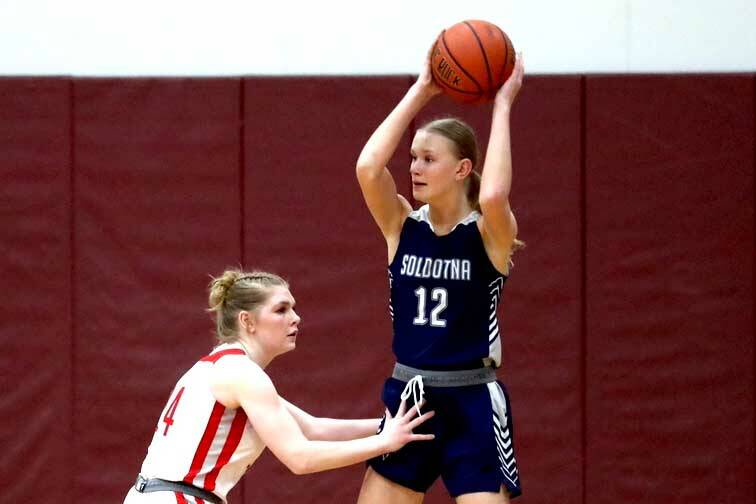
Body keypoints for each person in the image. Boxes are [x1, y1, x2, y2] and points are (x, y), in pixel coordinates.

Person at [353, 44, 525, 503]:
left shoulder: (489, 233)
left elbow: (492, 195)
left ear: (463, 168)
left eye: (429, 159)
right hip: (410, 397)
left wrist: (503, 104)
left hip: (472, 401)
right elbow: (369, 168)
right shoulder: (402, 226)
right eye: (412, 156)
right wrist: (423, 88)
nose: (414, 167)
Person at [124, 269, 435, 504]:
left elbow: (314, 428)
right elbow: (300, 457)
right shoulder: (243, 374)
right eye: (281, 309)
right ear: (247, 321)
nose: (296, 318)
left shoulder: (225, 366)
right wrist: (386, 442)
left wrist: (390, 426)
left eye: (293, 308)